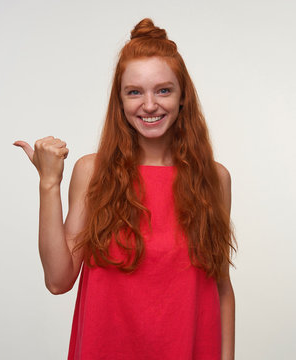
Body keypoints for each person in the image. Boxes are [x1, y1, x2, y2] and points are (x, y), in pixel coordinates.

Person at [13, 18, 236, 360]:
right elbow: (58, 280)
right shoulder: (92, 172)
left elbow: (221, 289)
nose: (149, 105)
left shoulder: (214, 179)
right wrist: (49, 183)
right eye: (135, 92)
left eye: (163, 90)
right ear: (120, 100)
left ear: (182, 97)